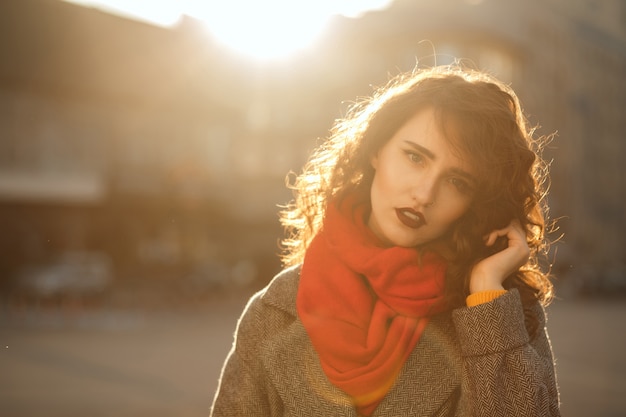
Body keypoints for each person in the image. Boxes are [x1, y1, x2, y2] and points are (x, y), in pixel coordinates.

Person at [210, 64, 561, 416]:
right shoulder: (275, 311)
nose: (424, 194)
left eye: (457, 182)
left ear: (475, 203)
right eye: (414, 157)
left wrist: (485, 293)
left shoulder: (500, 314)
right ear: (376, 149)